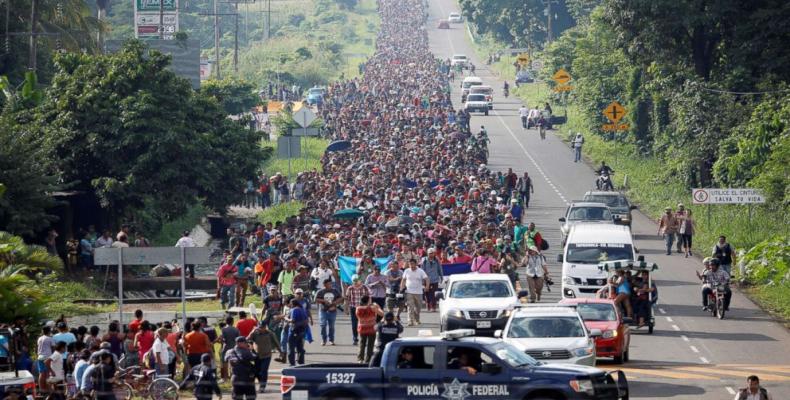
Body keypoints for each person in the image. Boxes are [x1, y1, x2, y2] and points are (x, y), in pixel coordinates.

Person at [247, 321, 279, 393]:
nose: (261, 329)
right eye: (260, 327)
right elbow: (247, 339)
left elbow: (276, 342)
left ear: (265, 327)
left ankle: (262, 386)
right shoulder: (255, 333)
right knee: (257, 371)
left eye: (262, 327)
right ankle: (261, 383)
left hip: (267, 355)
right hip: (257, 355)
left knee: (264, 371)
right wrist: (252, 332)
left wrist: (281, 352)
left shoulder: (270, 333)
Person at [355, 295, 384, 364]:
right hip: (371, 328)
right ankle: (368, 359)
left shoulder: (358, 308)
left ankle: (360, 359)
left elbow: (358, 317)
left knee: (362, 344)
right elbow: (382, 314)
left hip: (362, 328)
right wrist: (377, 306)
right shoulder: (373, 308)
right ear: (368, 301)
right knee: (370, 345)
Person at [400, 258, 428, 326]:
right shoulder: (406, 271)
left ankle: (417, 319)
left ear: (416, 264)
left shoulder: (421, 271)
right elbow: (403, 280)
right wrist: (401, 288)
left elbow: (427, 279)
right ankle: (410, 321)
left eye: (412, 264)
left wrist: (427, 286)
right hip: (409, 291)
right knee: (410, 307)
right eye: (410, 264)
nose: (411, 265)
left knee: (418, 308)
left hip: (419, 292)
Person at [344, 275, 370, 345]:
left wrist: (369, 306)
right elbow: (347, 299)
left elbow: (369, 297)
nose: (355, 282)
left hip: (363, 308)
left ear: (360, 280)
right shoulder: (350, 288)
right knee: (354, 324)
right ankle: (355, 338)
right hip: (353, 308)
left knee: (364, 324)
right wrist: (346, 308)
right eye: (354, 281)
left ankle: (363, 338)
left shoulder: (365, 287)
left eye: (356, 281)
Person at [315, 279, 342, 346]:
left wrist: (335, 302)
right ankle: (324, 340)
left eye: (331, 284)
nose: (330, 285)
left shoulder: (335, 291)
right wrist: (324, 301)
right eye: (329, 284)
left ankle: (331, 340)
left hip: (332, 311)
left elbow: (341, 298)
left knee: (331, 326)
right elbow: (315, 299)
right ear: (324, 285)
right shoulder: (320, 291)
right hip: (323, 311)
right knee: (323, 325)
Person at [284, 299, 308, 366]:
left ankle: (292, 363)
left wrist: (286, 318)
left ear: (293, 304)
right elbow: (306, 320)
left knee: (291, 348)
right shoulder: (302, 309)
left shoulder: (294, 310)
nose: (290, 305)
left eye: (291, 304)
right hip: (302, 331)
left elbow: (293, 320)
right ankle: (301, 363)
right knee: (300, 347)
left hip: (294, 331)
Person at [219, 316, 240, 381]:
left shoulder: (223, 329)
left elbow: (221, 339)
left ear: (226, 321)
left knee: (224, 362)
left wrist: (223, 342)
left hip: (226, 347)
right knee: (233, 361)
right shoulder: (236, 329)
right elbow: (239, 339)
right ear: (232, 322)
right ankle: (232, 375)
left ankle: (225, 377)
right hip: (234, 347)